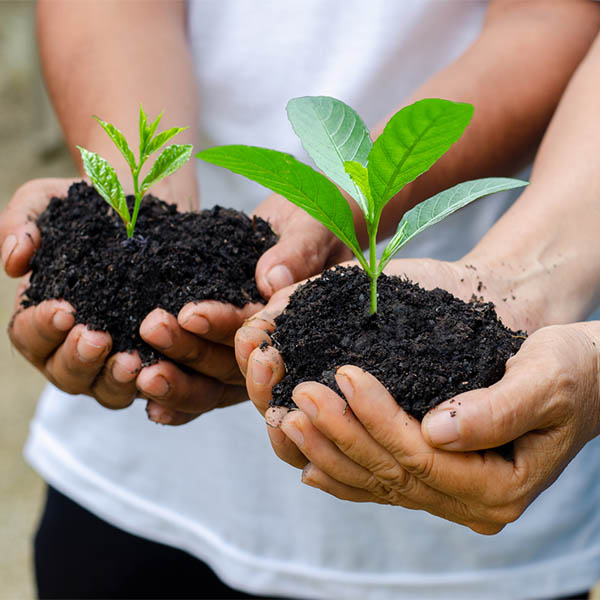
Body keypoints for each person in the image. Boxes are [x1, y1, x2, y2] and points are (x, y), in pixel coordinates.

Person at [2, 0, 600, 598]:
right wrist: (135, 203)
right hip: (130, 478)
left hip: (459, 553)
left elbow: (547, 18)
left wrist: (525, 274)